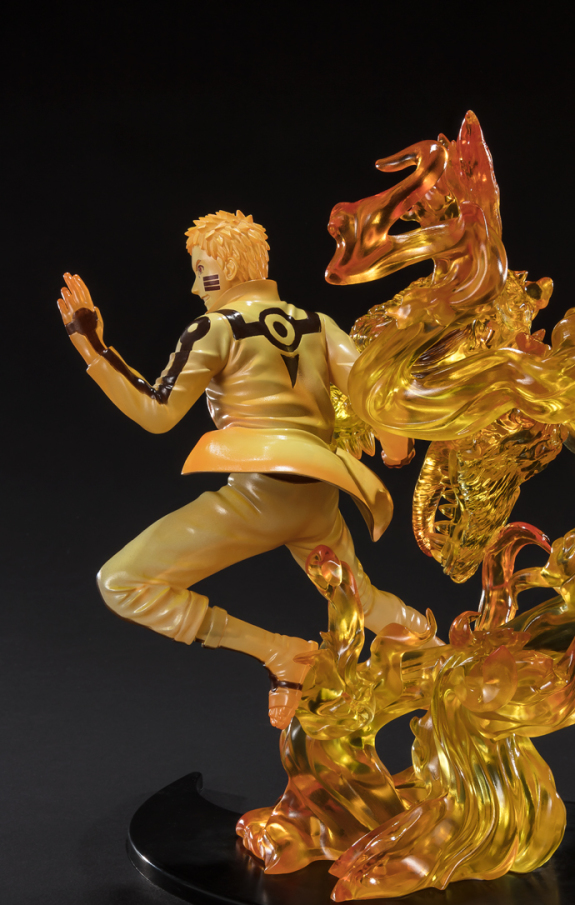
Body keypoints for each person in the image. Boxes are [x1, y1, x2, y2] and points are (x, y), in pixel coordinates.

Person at [57, 209, 429, 729]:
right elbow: (374, 392)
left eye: (200, 268)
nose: (195, 285)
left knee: (122, 582)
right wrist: (397, 448)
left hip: (260, 498)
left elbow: (157, 413)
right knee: (361, 601)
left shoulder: (216, 328)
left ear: (226, 268)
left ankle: (280, 652)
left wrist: (93, 347)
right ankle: (437, 652)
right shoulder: (317, 325)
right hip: (319, 499)